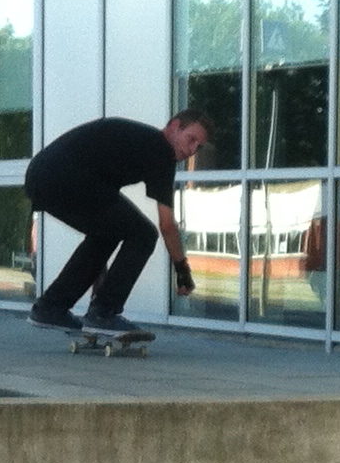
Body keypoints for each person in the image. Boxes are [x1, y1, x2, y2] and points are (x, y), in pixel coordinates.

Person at [23, 111, 211, 333]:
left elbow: (106, 217)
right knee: (143, 234)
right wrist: (182, 270)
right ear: (174, 126)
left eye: (198, 147)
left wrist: (99, 282)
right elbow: (167, 225)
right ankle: (103, 312)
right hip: (64, 176)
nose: (191, 151)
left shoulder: (137, 141)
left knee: (108, 232)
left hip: (41, 175)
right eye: (191, 139)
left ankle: (51, 308)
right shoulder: (160, 149)